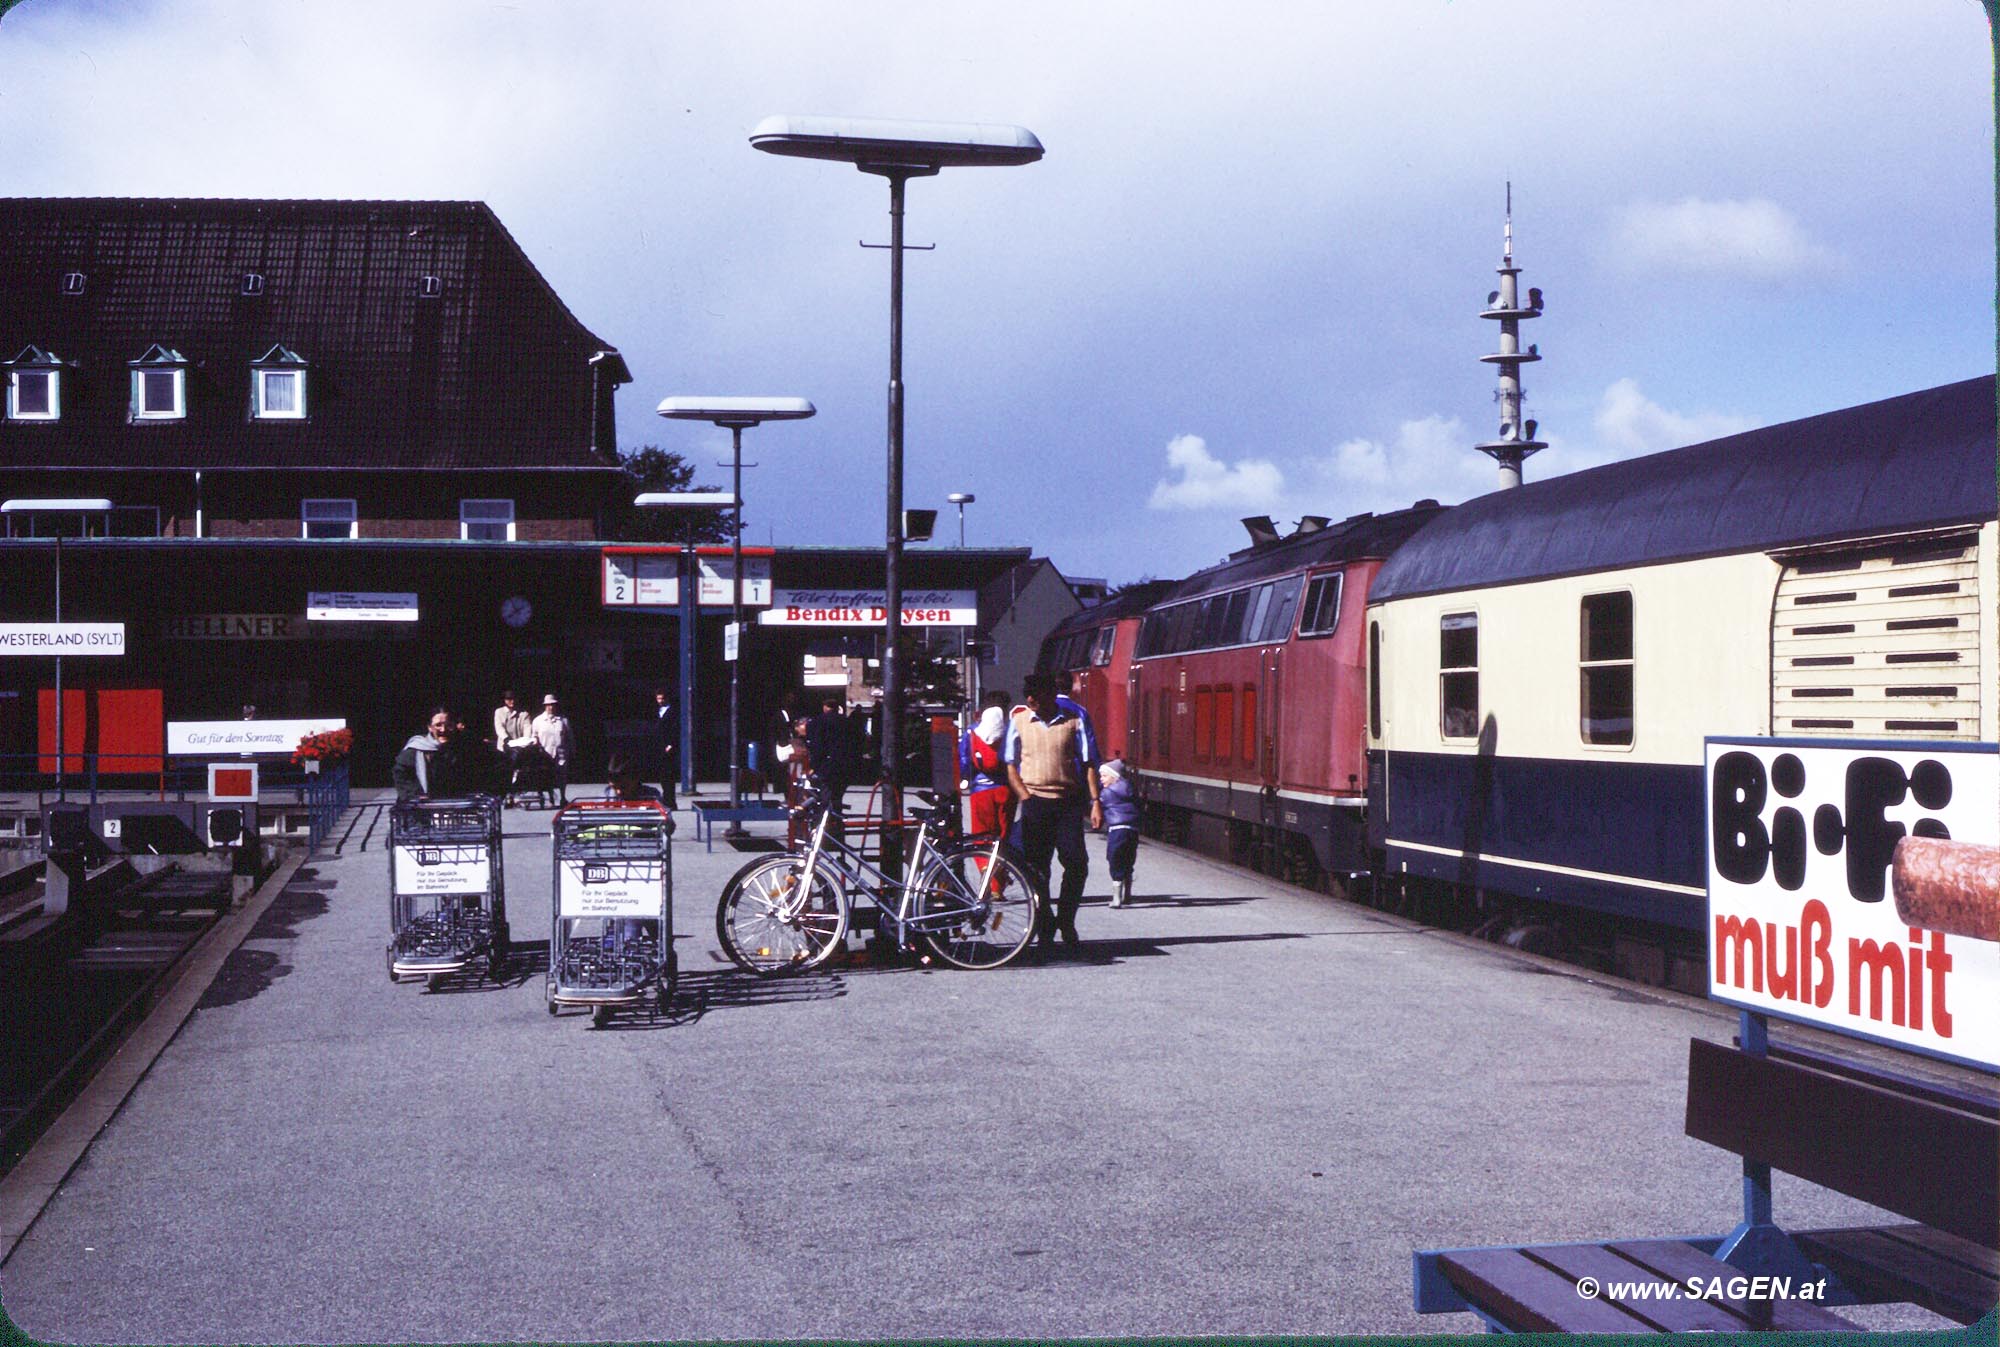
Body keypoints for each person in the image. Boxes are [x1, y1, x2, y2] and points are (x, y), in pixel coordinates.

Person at [1004, 671, 1102, 948]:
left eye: (1036, 694)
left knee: (1076, 863)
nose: (1031, 700)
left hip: (1068, 803)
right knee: (1037, 868)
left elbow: (1089, 762)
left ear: (1050, 694)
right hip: (1035, 802)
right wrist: (1025, 796)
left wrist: (1095, 802)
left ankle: (1067, 918)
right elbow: (1010, 765)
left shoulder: (1074, 720)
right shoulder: (1019, 721)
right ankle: (1045, 920)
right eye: (1028, 695)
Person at [393, 707, 508, 801]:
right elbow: (402, 776)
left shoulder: (468, 745)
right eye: (438, 725)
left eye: (449, 725)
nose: (443, 730)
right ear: (430, 727)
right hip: (424, 812)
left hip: (460, 808)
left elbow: (501, 762)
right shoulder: (416, 750)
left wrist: (490, 792)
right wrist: (415, 795)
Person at [958, 691, 1014, 840]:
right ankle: (1001, 862)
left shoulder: (972, 731)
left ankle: (985, 863)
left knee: (982, 835)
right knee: (1004, 835)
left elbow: (964, 760)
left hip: (980, 789)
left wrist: (965, 779)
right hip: (1005, 788)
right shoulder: (1010, 731)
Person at [805, 694, 862, 823]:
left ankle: (826, 823)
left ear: (825, 707)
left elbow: (816, 746)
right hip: (844, 765)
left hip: (826, 765)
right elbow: (856, 743)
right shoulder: (848, 722)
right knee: (838, 795)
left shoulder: (816, 722)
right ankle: (836, 820)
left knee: (825, 795)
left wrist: (814, 766)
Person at [1098, 758, 1141, 908]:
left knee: (1114, 859)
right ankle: (1127, 894)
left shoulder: (1107, 793)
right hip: (1132, 829)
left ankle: (1116, 898)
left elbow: (1098, 806)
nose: (1101, 779)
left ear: (1113, 777)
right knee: (1128, 859)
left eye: (1104, 776)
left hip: (1117, 830)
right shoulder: (1130, 788)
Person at [531, 693, 576, 806]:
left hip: (561, 753)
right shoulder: (538, 721)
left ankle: (562, 797)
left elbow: (569, 737)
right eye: (548, 705)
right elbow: (534, 735)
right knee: (546, 776)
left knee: (562, 776)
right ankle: (550, 797)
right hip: (545, 753)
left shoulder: (563, 720)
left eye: (553, 705)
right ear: (545, 706)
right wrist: (535, 743)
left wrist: (572, 751)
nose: (551, 707)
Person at [650, 686, 679, 808]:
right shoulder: (656, 711)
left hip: (668, 747)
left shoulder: (673, 711)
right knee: (662, 775)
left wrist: (671, 744)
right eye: (658, 699)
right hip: (659, 746)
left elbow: (676, 728)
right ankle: (666, 799)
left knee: (669, 775)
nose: (660, 701)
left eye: (662, 698)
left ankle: (670, 801)